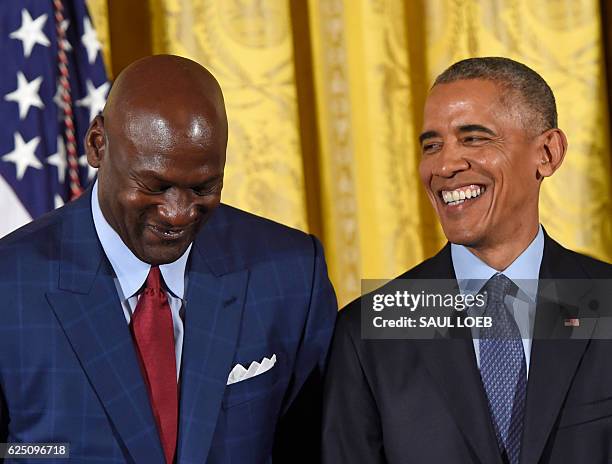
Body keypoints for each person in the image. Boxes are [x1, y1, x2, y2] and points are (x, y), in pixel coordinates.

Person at [0, 55, 337, 463]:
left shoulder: (292, 273)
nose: (178, 213)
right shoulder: (10, 284)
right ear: (96, 145)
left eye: (203, 188)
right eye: (154, 186)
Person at [322, 57, 612, 463]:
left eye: (474, 138)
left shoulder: (604, 301)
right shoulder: (371, 330)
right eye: (432, 145)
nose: (444, 165)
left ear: (547, 153)